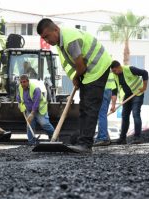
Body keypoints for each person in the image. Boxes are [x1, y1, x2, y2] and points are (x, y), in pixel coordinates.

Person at [37, 18, 112, 152]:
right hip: (87, 71)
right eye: (44, 38)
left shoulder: (69, 39)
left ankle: (85, 144)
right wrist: (74, 78)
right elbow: (69, 64)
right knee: (83, 106)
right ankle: (82, 140)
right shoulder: (60, 44)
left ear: (56, 29)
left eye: (47, 36)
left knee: (90, 106)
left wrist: (77, 77)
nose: (47, 41)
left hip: (97, 66)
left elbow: (81, 66)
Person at [110, 60, 149, 144]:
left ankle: (137, 138)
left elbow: (145, 73)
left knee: (135, 114)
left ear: (119, 67)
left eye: (114, 70)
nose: (114, 73)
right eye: (113, 71)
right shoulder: (115, 75)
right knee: (124, 115)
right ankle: (122, 138)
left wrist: (144, 87)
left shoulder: (130, 69)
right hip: (128, 95)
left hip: (137, 93)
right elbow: (114, 91)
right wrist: (113, 106)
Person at [17, 74, 54, 145]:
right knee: (29, 125)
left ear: (28, 81)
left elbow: (36, 102)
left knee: (44, 124)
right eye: (21, 82)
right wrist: (19, 103)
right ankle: (31, 143)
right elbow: (19, 96)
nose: (22, 84)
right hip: (29, 109)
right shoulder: (20, 87)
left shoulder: (35, 89)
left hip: (39, 109)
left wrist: (32, 113)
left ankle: (54, 136)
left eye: (24, 82)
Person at [94, 72, 118, 146]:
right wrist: (113, 105)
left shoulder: (100, 67)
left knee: (101, 115)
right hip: (108, 91)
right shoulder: (111, 73)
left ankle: (103, 138)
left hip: (102, 91)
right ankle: (102, 137)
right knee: (101, 115)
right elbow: (114, 91)